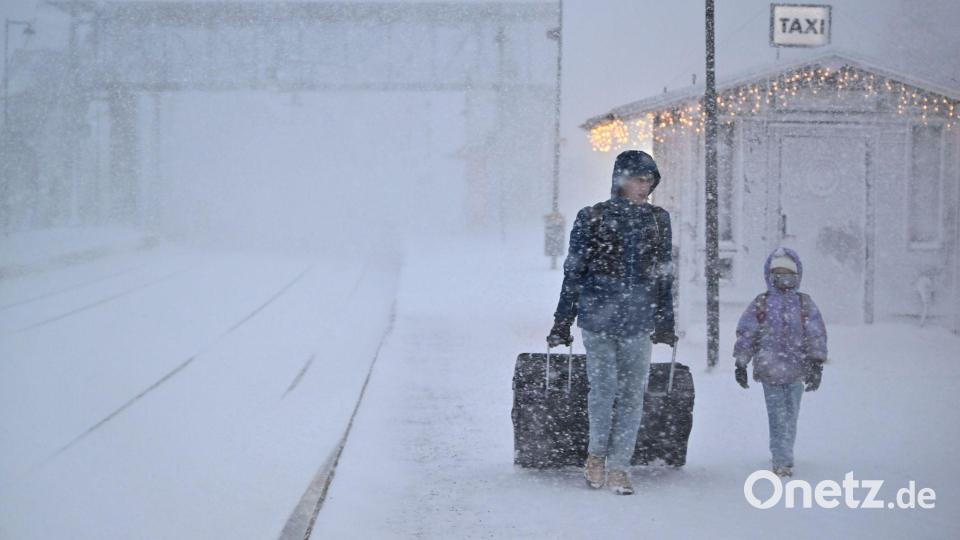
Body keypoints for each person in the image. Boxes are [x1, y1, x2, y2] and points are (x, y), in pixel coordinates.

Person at [547, 150, 677, 495]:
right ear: (621, 179)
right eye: (638, 179)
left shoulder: (657, 220)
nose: (644, 188)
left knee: (633, 394)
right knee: (602, 391)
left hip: (639, 320)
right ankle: (596, 456)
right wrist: (563, 320)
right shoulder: (592, 218)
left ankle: (620, 465)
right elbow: (573, 272)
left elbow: (665, 274)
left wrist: (665, 319)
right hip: (597, 319)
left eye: (649, 181)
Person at [733, 247, 828, 477]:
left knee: (791, 414)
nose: (784, 278)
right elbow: (747, 334)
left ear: (797, 276)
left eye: (789, 274)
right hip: (770, 370)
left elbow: (816, 334)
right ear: (770, 275)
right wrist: (741, 362)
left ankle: (784, 451)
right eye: (778, 274)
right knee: (777, 416)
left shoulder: (804, 304)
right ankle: (782, 460)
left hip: (796, 370)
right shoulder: (762, 303)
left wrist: (816, 363)